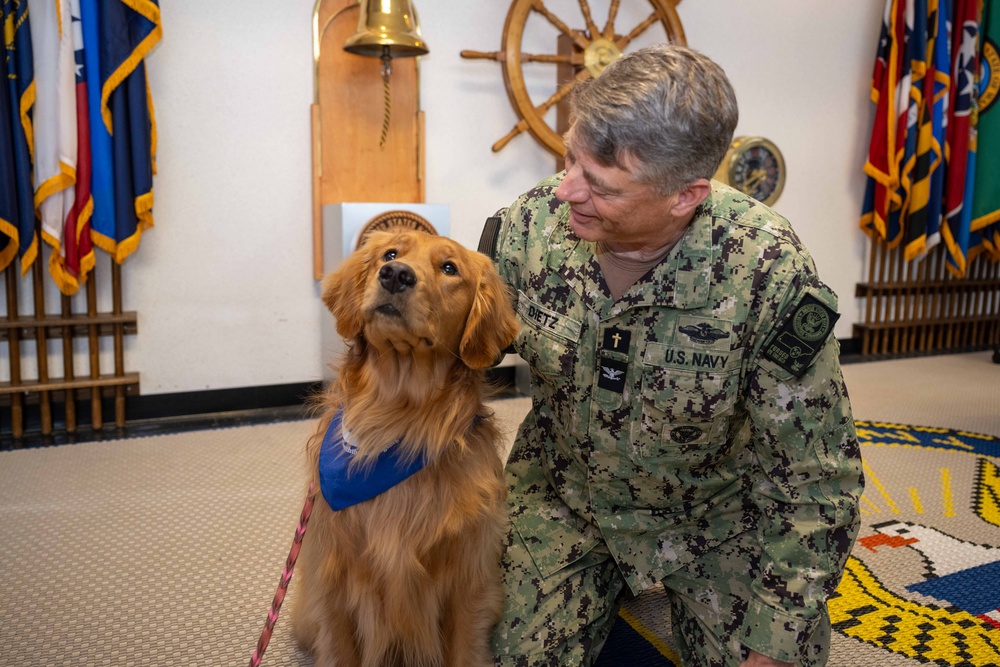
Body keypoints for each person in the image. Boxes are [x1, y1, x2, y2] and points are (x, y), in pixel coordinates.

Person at [479, 44, 864, 667]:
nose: (566, 190)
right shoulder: (530, 226)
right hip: (563, 496)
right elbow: (453, 354)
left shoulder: (765, 268)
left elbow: (816, 473)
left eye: (600, 184)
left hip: (712, 517)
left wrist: (777, 635)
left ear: (685, 196)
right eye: (570, 157)